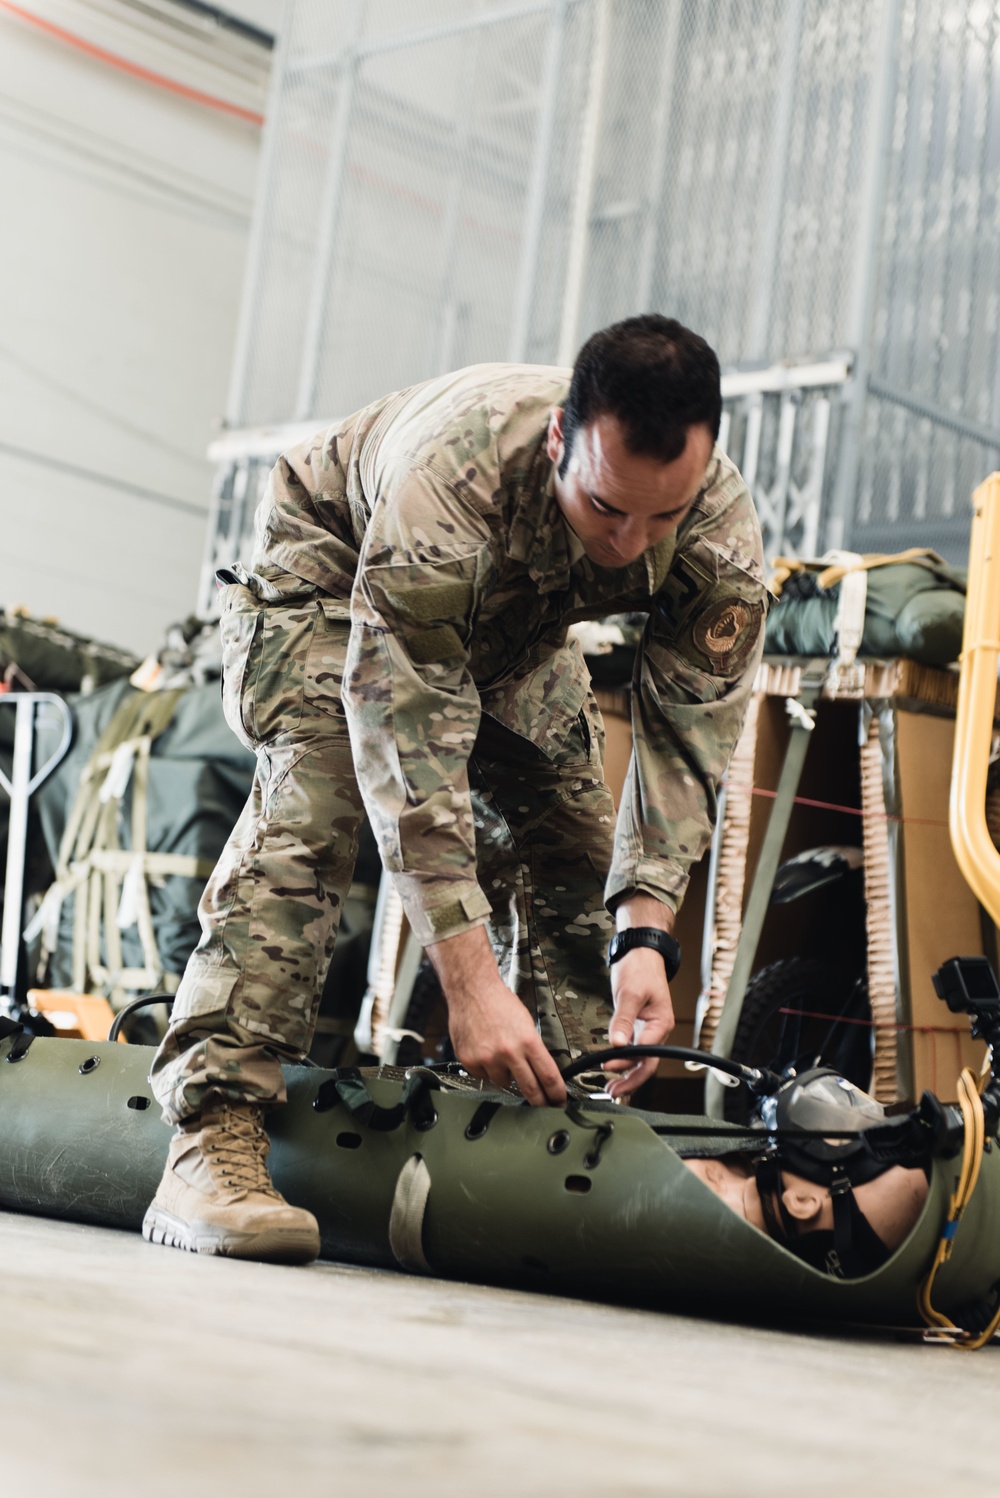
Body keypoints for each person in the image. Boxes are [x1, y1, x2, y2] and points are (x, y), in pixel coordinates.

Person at [143, 314, 768, 1264]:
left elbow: (686, 740)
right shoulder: (453, 480)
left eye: (662, 517)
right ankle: (211, 1131)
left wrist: (646, 934)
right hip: (333, 576)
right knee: (319, 794)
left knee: (569, 834)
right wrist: (468, 985)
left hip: (508, 626)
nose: (630, 543)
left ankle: (568, 1122)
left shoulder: (717, 534)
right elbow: (404, 739)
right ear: (562, 440)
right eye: (606, 508)